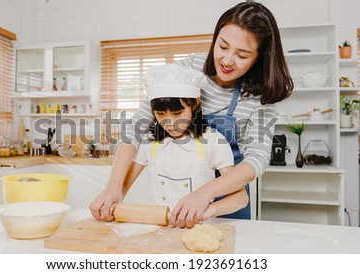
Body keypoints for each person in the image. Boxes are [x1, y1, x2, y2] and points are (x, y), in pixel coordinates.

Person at [90, 1, 293, 228]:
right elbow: (137, 126)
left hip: (229, 201)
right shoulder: (189, 69)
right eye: (222, 46)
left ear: (259, 57)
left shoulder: (261, 95)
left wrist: (204, 194)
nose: (226, 61)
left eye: (242, 55)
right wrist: (114, 188)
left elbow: (256, 159)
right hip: (180, 209)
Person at [120, 64, 248, 223]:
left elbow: (241, 197)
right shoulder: (149, 142)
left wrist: (208, 211)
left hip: (200, 227)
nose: (169, 123)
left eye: (177, 113)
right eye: (160, 114)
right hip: (161, 229)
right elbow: (123, 184)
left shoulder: (213, 141)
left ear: (195, 103)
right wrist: (111, 199)